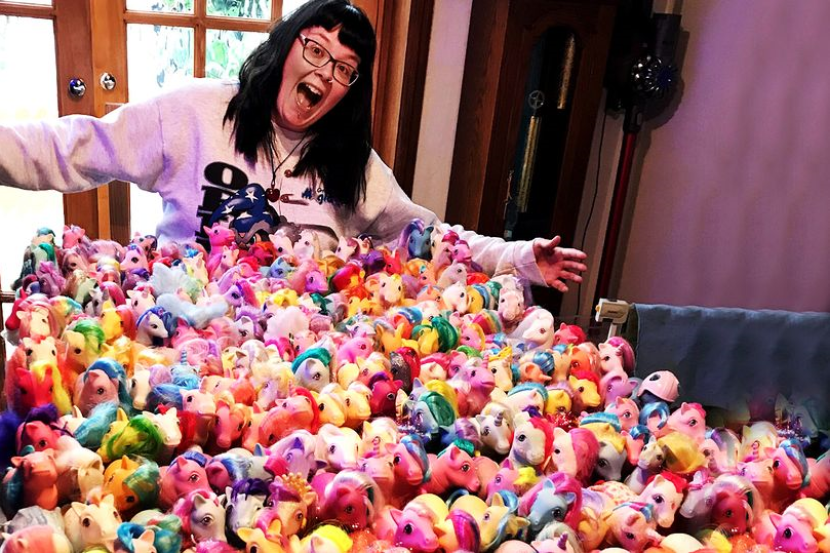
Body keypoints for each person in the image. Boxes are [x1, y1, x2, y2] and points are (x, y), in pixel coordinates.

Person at [0, 0, 586, 293]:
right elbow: (76, 146)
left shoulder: (353, 164)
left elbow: (427, 237)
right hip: (180, 336)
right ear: (285, 45)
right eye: (315, 49)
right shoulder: (195, 112)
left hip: (295, 368)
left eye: (344, 69)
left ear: (350, 90)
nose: (325, 73)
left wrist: (517, 258)